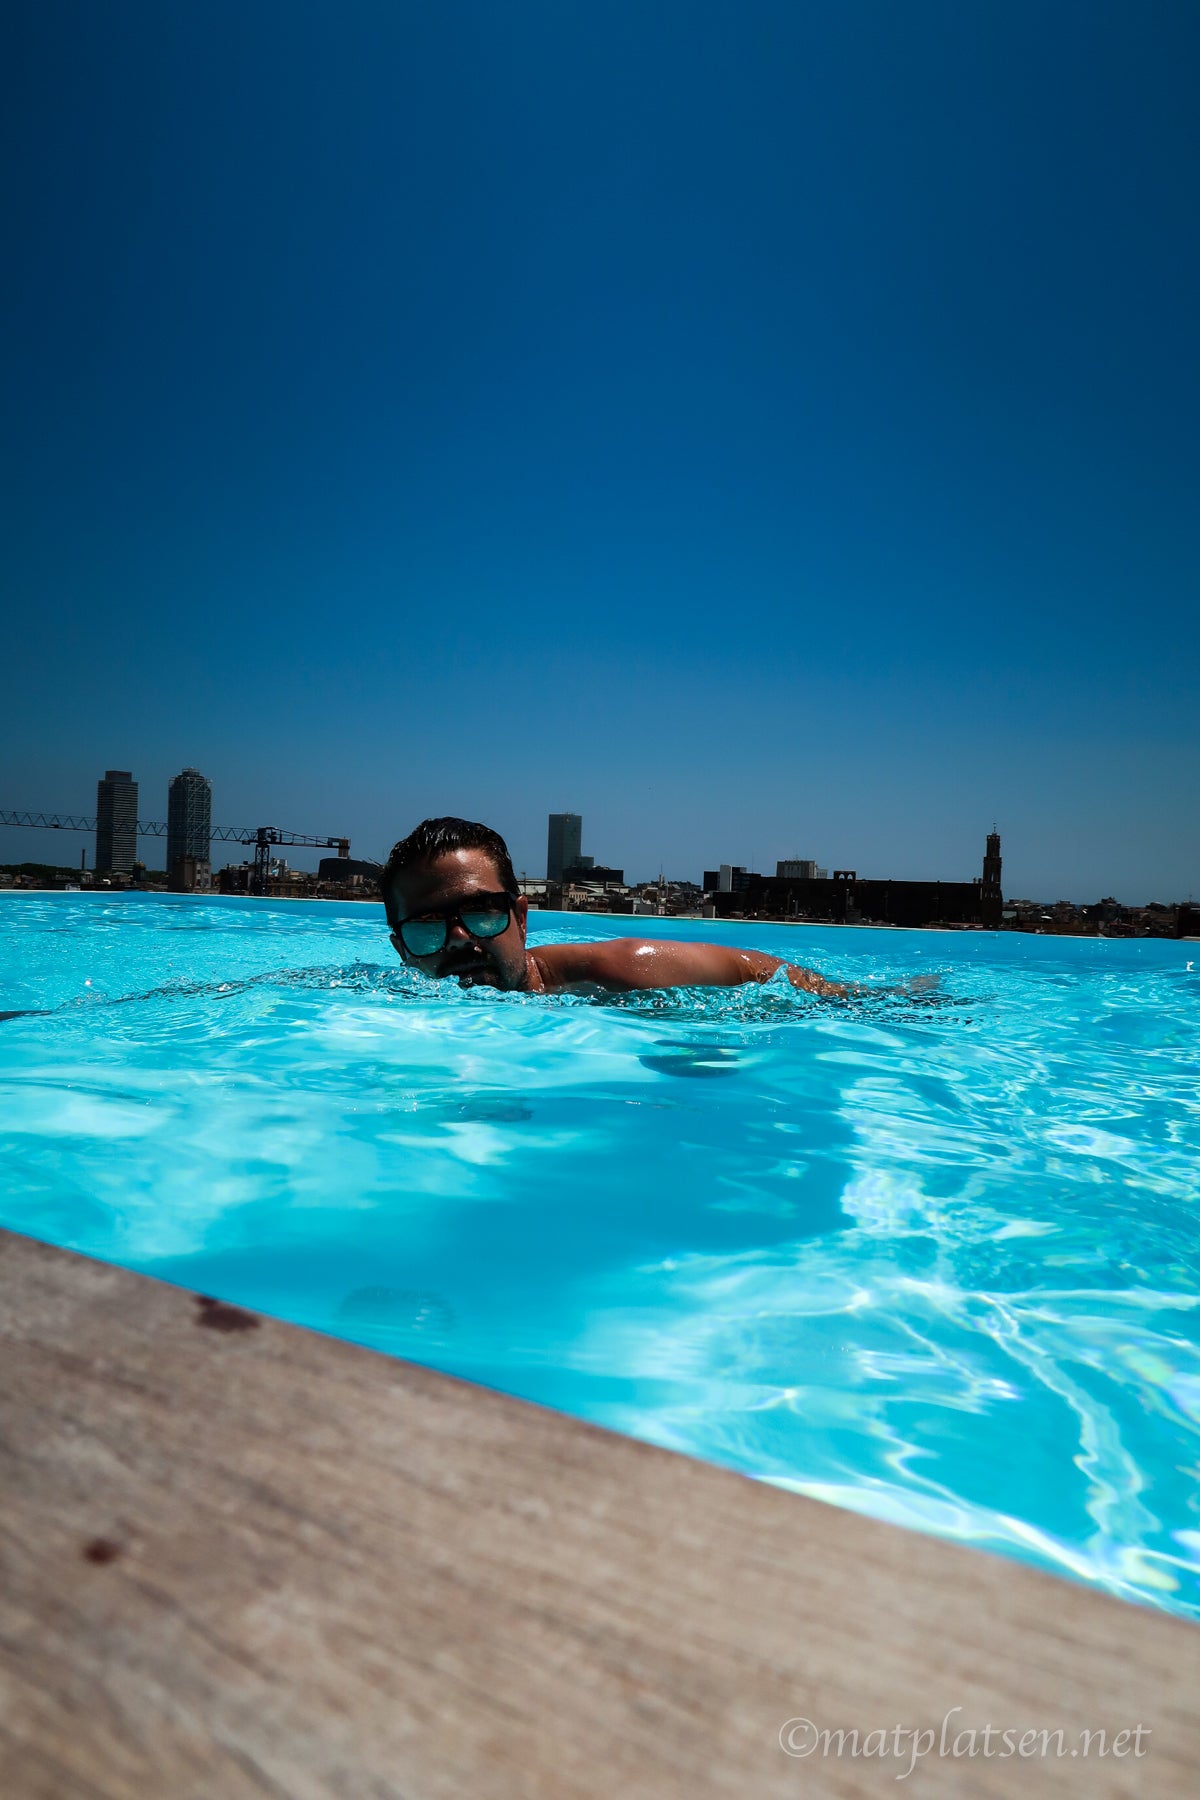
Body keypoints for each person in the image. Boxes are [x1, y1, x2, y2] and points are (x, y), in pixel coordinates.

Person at [379, 817, 852, 997]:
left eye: (481, 911)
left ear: (520, 919)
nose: (459, 937)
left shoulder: (620, 970)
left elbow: (775, 977)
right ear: (401, 949)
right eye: (427, 924)